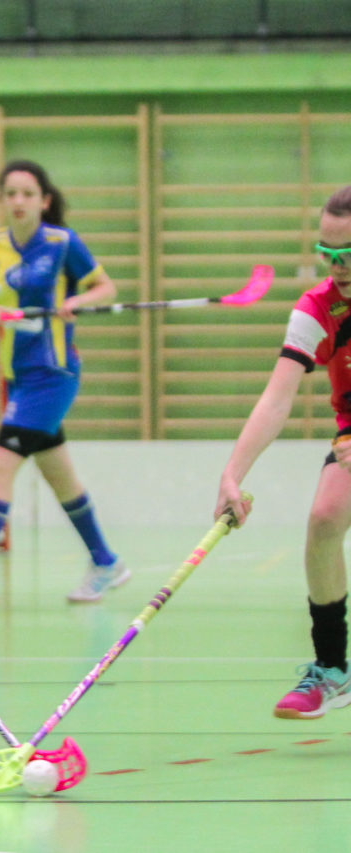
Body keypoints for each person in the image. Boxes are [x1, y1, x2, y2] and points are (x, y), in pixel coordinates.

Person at [0, 160, 125, 606]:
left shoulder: (61, 243)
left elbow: (105, 288)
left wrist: (77, 301)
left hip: (53, 374)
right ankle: (106, 561)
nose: (18, 201)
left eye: (27, 194)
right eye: (10, 193)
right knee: (60, 478)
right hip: (17, 377)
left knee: (0, 468)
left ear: (43, 201)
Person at [216, 185, 351, 719]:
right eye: (328, 253)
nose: (338, 267)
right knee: (323, 520)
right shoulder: (318, 307)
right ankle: (333, 669)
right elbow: (277, 398)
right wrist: (232, 473)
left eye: (350, 254)